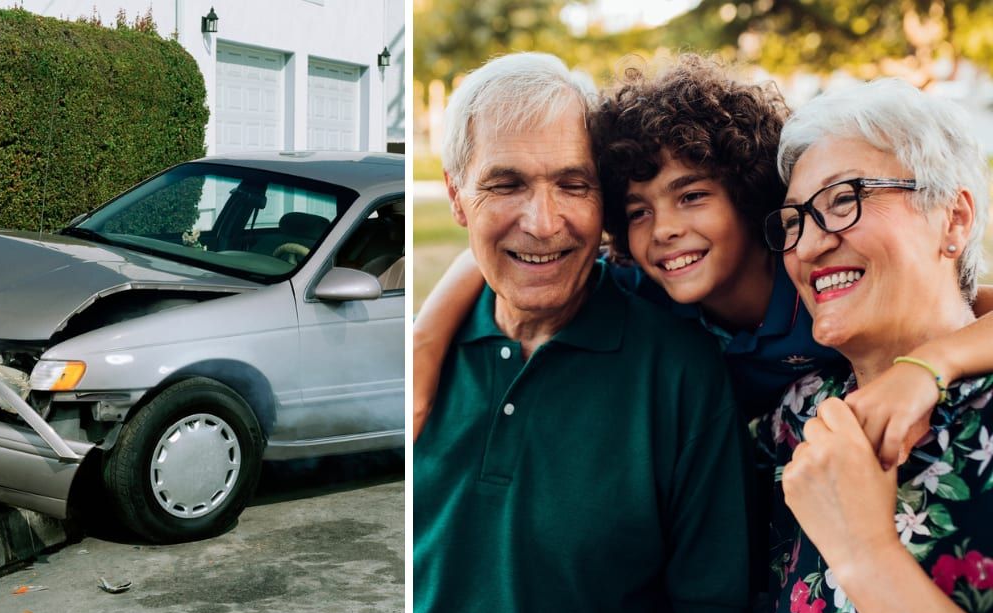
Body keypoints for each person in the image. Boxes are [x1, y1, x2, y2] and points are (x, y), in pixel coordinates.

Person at [413, 54, 993, 471]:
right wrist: (426, 340)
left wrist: (930, 363)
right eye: (638, 211)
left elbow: (975, 311)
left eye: (692, 196)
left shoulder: (816, 277)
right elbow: (519, 257)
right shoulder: (644, 283)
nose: (665, 229)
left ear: (748, 193)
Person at [413, 52, 750, 613]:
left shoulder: (681, 375)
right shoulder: (420, 360)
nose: (543, 223)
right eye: (506, 184)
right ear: (456, 196)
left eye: (573, 184)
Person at [758, 78, 993, 613]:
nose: (810, 246)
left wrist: (864, 551)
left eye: (844, 199)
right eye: (794, 222)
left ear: (953, 218)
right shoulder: (793, 414)